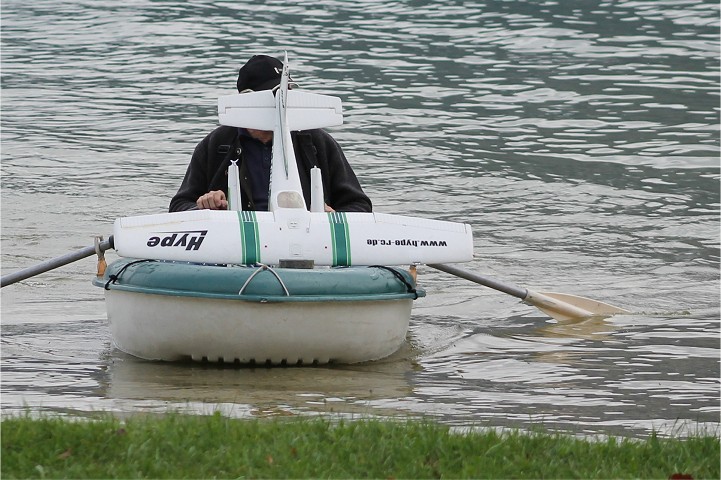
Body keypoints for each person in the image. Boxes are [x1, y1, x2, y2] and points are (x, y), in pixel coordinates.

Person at [169, 55, 372, 213]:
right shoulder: (216, 144)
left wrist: (331, 216)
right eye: (277, 94)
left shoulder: (317, 142)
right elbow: (179, 205)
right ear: (247, 99)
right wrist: (205, 206)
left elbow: (359, 205)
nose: (284, 102)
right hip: (238, 242)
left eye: (289, 92)